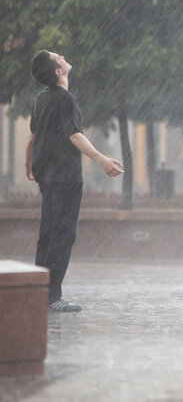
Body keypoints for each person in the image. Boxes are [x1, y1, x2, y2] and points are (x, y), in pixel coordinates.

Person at [24, 50, 123, 313]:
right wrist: (102, 159)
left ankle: (39, 291)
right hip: (65, 176)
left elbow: (33, 136)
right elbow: (75, 135)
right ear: (58, 71)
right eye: (59, 57)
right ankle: (53, 296)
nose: (65, 56)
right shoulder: (66, 100)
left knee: (48, 233)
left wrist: (28, 163)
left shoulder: (40, 98)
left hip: (46, 173)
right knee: (63, 235)